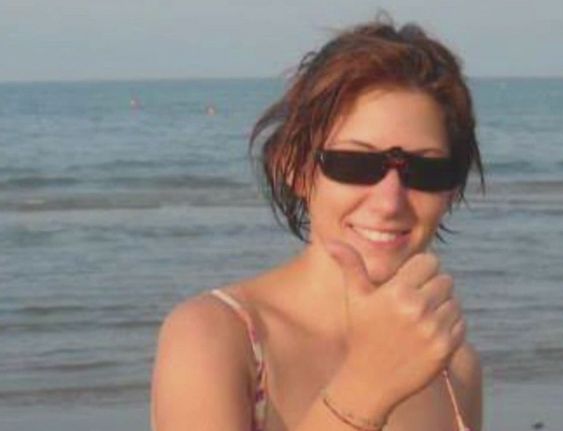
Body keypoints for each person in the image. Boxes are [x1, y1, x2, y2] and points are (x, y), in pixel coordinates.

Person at [151, 16, 485, 431]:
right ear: (295, 168)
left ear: (451, 189)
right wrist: (368, 385)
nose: (389, 201)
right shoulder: (214, 336)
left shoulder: (455, 367)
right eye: (355, 163)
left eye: (425, 170)